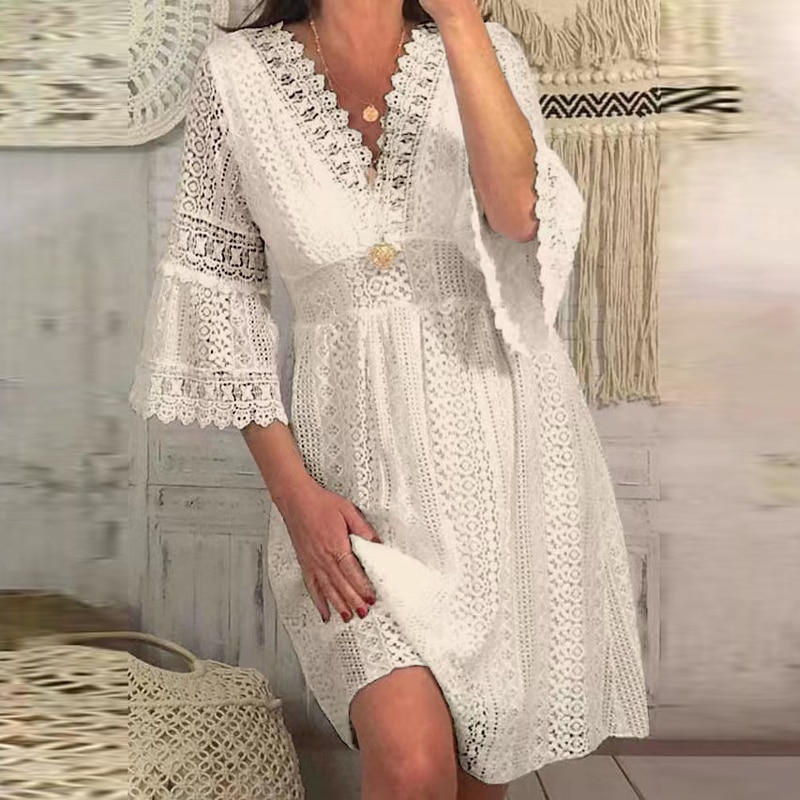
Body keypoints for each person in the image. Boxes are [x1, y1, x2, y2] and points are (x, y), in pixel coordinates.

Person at [129, 0, 651, 798]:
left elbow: (519, 214)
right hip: (352, 494)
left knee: (480, 774)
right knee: (411, 767)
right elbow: (217, 297)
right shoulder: (234, 76)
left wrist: (461, 22)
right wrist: (295, 499)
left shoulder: (486, 49)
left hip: (503, 474)